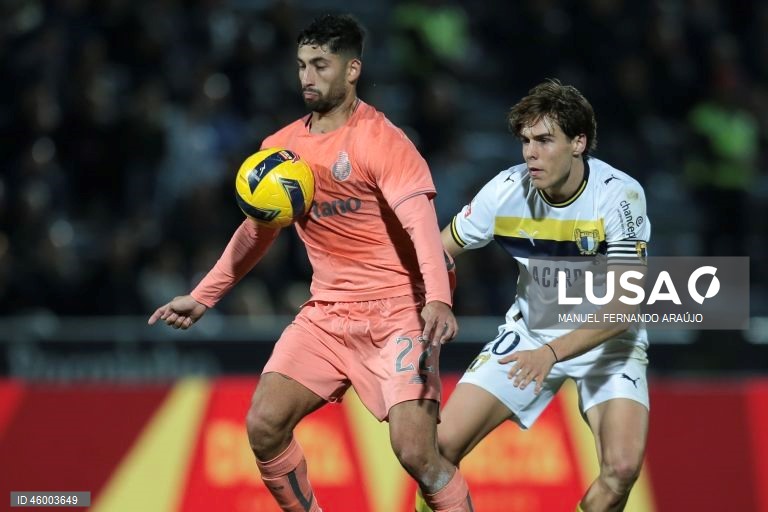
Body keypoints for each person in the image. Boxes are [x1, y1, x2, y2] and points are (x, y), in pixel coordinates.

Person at [148, 13, 473, 512]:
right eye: (301, 65)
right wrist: (203, 296)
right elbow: (256, 233)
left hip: (399, 314)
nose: (307, 76)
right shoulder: (279, 151)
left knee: (416, 453)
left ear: (352, 70)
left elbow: (422, 225)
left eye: (320, 65)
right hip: (327, 315)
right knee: (263, 425)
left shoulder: (383, 141)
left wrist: (438, 299)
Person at [416, 79, 651, 512]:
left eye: (544, 140)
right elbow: (439, 251)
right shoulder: (505, 190)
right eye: (525, 141)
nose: (530, 153)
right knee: (438, 450)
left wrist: (552, 353)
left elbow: (625, 305)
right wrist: (428, 297)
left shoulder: (619, 196)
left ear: (579, 142)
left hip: (607, 342)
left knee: (621, 469)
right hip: (531, 333)